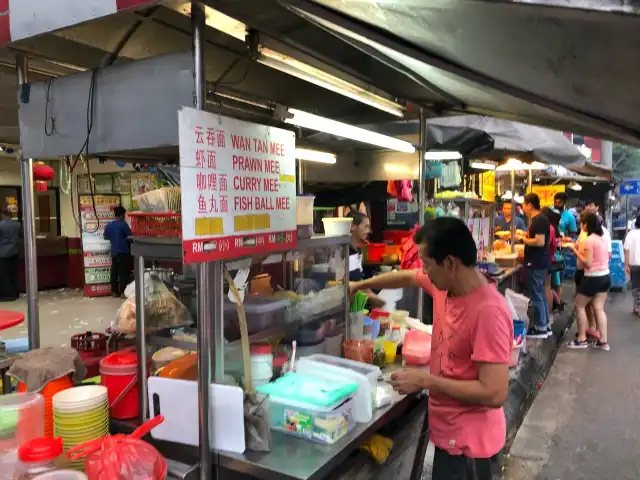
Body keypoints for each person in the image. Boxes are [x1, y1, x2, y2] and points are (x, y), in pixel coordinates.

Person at [349, 217, 512, 480]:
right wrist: (360, 285)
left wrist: (426, 381)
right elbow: (408, 277)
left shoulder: (488, 312)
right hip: (449, 437)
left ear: (449, 263)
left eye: (427, 264)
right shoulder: (446, 287)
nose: (423, 271)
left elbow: (494, 392)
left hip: (470, 447)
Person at [565, 211, 611, 350]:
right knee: (598, 308)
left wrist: (574, 250)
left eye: (582, 223)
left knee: (579, 306)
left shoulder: (589, 240)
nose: (581, 225)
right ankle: (603, 341)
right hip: (605, 276)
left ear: (586, 225)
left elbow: (587, 262)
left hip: (593, 277)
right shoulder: (601, 237)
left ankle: (582, 339)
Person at [518, 193, 552, 338]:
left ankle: (540, 328)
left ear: (529, 205)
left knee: (537, 295)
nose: (523, 208)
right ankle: (545, 325)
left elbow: (539, 242)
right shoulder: (538, 220)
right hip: (539, 262)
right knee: (540, 294)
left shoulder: (538, 220)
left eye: (524, 204)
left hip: (536, 262)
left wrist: (522, 240)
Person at [346, 211, 383, 307]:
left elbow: (361, 278)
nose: (368, 231)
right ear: (352, 227)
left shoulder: (357, 250)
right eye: (365, 227)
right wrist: (373, 296)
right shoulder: (348, 253)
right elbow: (357, 282)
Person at [103, 206, 132, 298]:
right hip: (123, 252)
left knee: (114, 273)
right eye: (124, 215)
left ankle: (114, 292)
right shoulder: (123, 225)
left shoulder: (109, 225)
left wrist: (114, 239)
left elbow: (106, 237)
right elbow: (130, 237)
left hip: (114, 252)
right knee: (123, 273)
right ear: (122, 215)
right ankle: (123, 292)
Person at [0, 207, 22, 301]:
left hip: (2, 253)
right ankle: (15, 293)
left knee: (4, 275)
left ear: (2, 214)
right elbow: (21, 236)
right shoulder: (17, 224)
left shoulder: (0, 225)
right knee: (13, 273)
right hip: (14, 252)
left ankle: (7, 295)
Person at [624, 215, 640, 314]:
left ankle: (638, 308)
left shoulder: (631, 234)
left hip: (634, 264)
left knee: (637, 287)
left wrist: (626, 265)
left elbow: (626, 250)